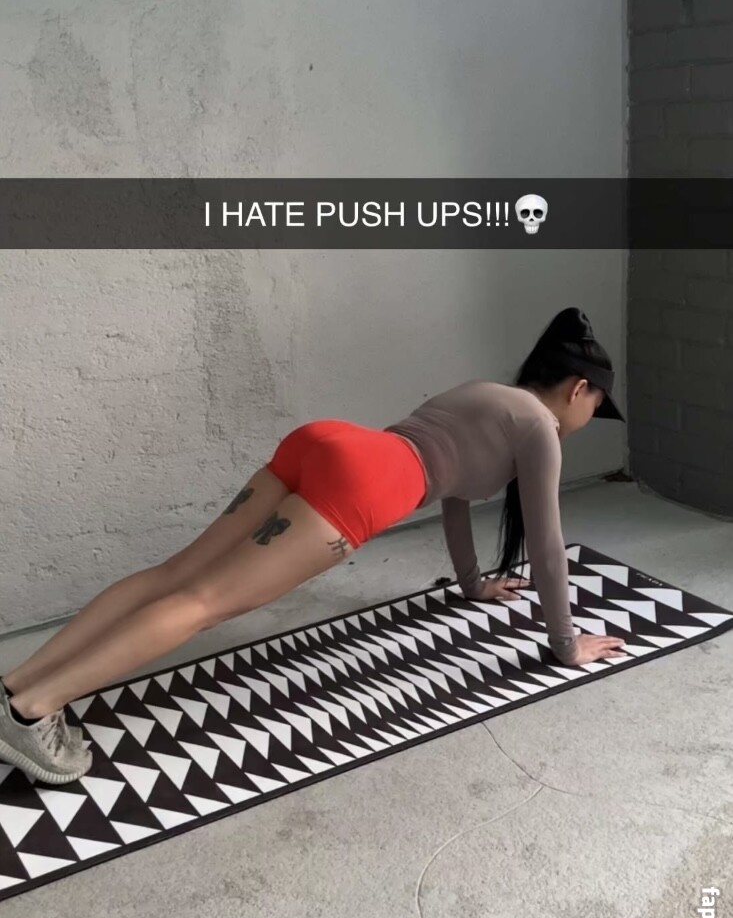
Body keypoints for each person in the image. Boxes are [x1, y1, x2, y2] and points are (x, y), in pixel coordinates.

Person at [0, 307, 627, 786]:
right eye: (597, 405)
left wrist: (471, 584)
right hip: (363, 485)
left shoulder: (485, 393)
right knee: (203, 602)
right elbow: (547, 545)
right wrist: (566, 644)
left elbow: (454, 496)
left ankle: (15, 687)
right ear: (579, 389)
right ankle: (32, 712)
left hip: (325, 442)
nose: (587, 418)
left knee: (174, 575)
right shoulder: (540, 428)